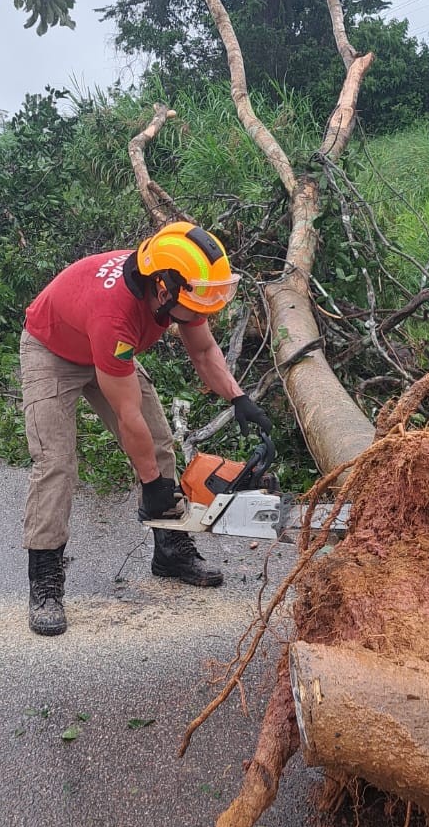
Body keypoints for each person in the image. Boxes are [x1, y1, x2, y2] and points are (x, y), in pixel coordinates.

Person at [19, 221, 272, 635]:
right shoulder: (115, 314)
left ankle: (170, 550)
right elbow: (127, 415)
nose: (201, 314)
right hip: (52, 350)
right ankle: (45, 579)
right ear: (161, 289)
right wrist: (152, 484)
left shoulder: (179, 286)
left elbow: (205, 350)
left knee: (158, 443)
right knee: (56, 463)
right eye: (196, 304)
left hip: (102, 348)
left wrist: (238, 398)